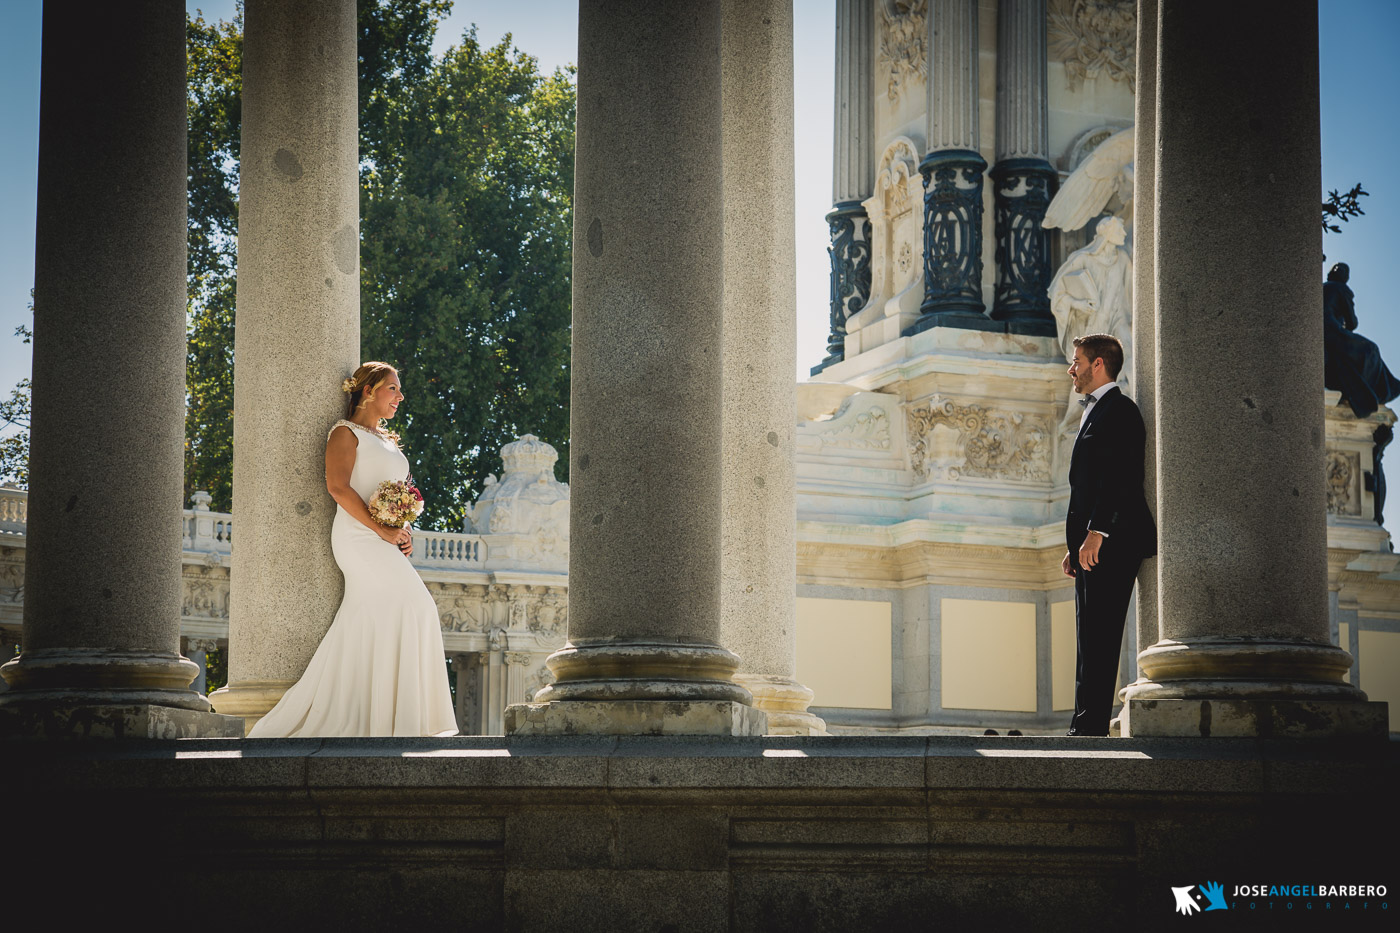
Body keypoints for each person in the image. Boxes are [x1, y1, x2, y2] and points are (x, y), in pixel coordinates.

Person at [248, 362, 458, 738]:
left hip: (384, 537)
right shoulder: (344, 434)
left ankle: (385, 720)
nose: (400, 396)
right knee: (417, 605)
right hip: (358, 538)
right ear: (368, 391)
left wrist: (403, 527)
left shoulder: (390, 441)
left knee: (377, 616)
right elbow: (339, 488)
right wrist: (381, 528)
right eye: (392, 388)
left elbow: (395, 492)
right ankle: (393, 719)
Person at [1061, 334, 1156, 736]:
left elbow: (1120, 477)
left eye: (1077, 362)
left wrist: (1097, 532)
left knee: (1100, 635)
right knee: (1088, 636)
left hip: (1114, 541)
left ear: (1098, 364)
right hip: (1091, 545)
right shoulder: (1093, 411)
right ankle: (1084, 724)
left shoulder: (1121, 410)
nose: (1072, 369)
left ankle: (1090, 728)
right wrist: (1075, 545)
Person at [1323, 263, 1400, 420]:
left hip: (1319, 329)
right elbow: (1352, 323)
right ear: (1345, 277)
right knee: (1371, 349)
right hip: (1331, 330)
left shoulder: (1321, 286)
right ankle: (1384, 390)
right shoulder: (1341, 288)